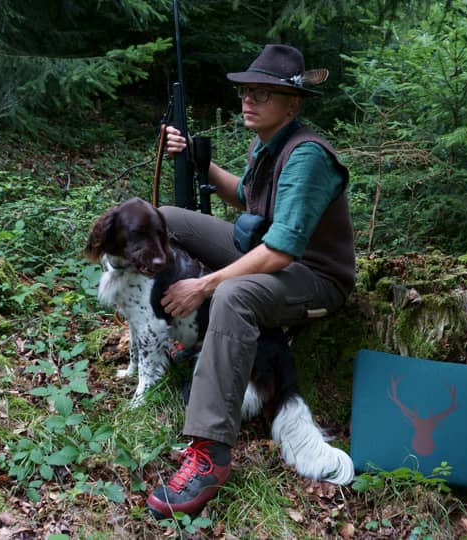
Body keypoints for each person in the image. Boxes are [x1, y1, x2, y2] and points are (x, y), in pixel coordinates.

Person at [146, 44, 355, 518]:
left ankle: (210, 452)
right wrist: (199, 161)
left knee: (234, 293)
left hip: (315, 278)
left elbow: (281, 250)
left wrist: (203, 285)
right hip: (272, 260)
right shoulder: (268, 144)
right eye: (246, 92)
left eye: (263, 93)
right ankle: (180, 332)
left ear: (293, 104)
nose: (249, 101)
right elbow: (245, 196)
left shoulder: (308, 157)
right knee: (166, 220)